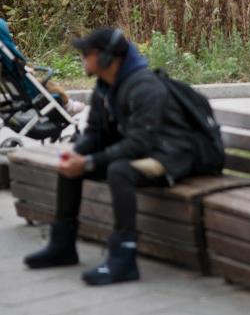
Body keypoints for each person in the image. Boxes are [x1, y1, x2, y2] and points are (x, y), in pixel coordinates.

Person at [22, 28, 197, 285]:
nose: (82, 59)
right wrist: (77, 155)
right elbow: (94, 133)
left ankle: (124, 259)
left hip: (172, 156)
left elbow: (141, 142)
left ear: (106, 58)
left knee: (119, 171)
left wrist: (91, 162)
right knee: (70, 166)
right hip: (147, 151)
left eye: (87, 54)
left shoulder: (143, 86)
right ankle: (62, 246)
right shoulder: (106, 87)